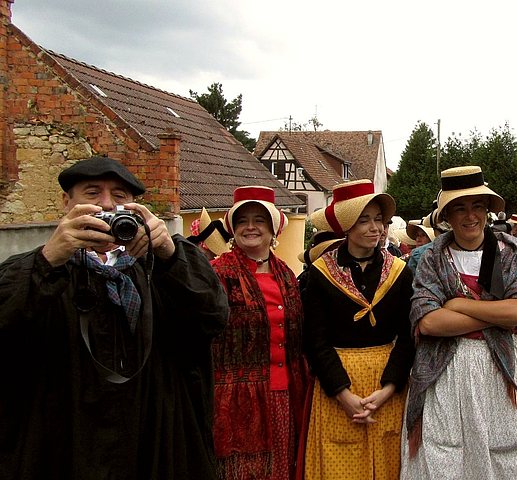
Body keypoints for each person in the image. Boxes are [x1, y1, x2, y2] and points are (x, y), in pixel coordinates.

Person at [0, 156, 228, 479]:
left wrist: (169, 252)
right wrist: (50, 258)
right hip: (64, 446)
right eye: (92, 193)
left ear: (134, 207)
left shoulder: (156, 271)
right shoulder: (42, 270)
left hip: (147, 447)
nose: (106, 204)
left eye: (119, 197)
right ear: (67, 203)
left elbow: (213, 314)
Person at [402, 166, 517, 479]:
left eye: (477, 207)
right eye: (460, 208)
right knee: (446, 457)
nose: (470, 216)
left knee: (510, 456)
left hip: (502, 372)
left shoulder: (509, 252)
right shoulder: (431, 257)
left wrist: (457, 304)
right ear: (446, 215)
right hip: (447, 375)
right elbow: (429, 322)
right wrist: (496, 313)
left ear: (487, 211)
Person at [301, 179, 414, 480]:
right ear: (347, 226)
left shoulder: (401, 272)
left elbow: (408, 336)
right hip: (337, 385)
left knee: (389, 466)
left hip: (386, 384)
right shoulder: (321, 273)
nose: (375, 228)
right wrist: (343, 394)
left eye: (379, 219)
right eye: (364, 220)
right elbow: (315, 340)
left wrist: (389, 388)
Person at [210, 186, 312, 480]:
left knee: (282, 469)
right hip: (236, 399)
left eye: (259, 220)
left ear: (273, 228)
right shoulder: (218, 273)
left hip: (285, 393)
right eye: (243, 221)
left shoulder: (286, 275)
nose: (251, 227)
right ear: (232, 228)